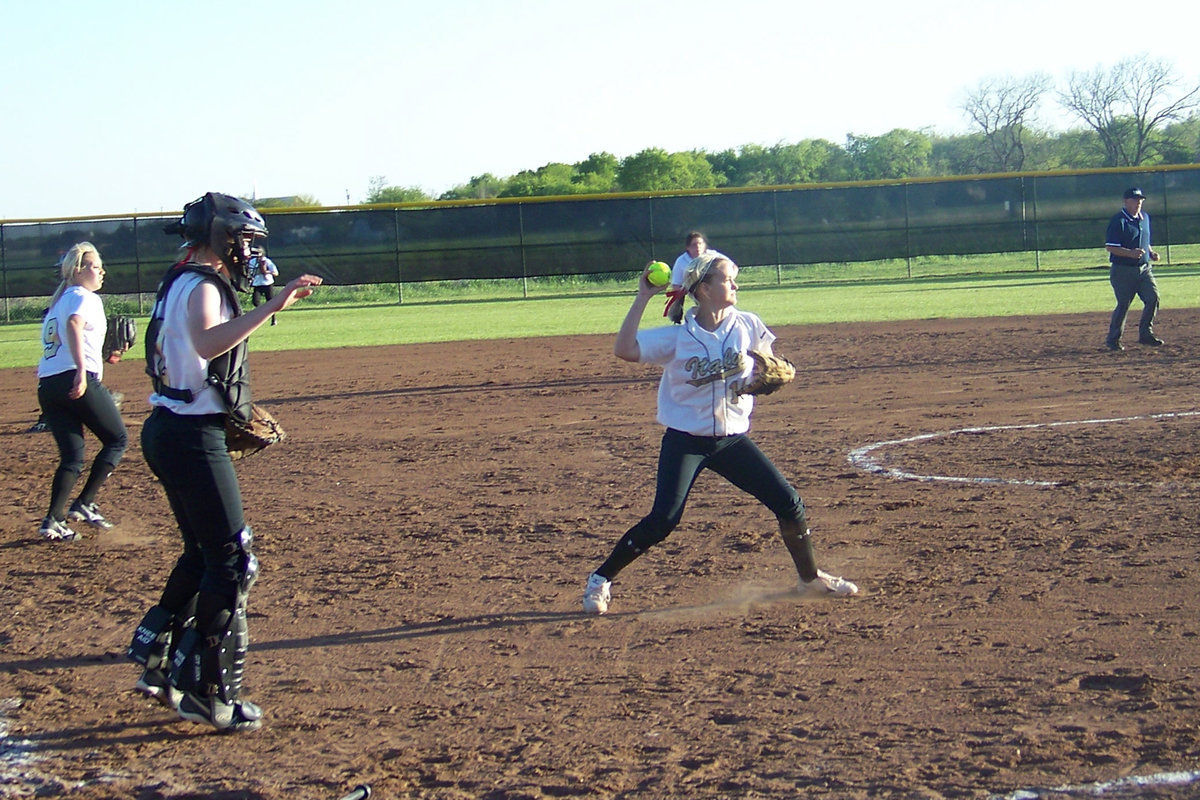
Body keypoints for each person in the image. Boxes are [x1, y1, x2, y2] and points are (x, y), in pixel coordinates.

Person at [126, 192, 322, 733]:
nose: (248, 250)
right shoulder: (204, 285)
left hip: (169, 428)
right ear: (221, 238)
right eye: (243, 239)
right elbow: (208, 343)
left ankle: (157, 657)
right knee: (234, 560)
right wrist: (274, 305)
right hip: (190, 436)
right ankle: (207, 691)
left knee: (201, 554)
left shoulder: (179, 278)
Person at [582, 252, 858, 615]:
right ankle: (600, 579)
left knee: (789, 502)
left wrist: (769, 376)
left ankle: (809, 579)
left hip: (731, 441)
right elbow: (625, 350)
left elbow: (768, 364)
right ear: (706, 289)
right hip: (685, 441)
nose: (736, 285)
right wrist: (643, 296)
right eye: (729, 280)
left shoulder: (747, 324)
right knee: (664, 519)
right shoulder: (679, 338)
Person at [35, 243, 128, 541]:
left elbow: (70, 334)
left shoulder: (59, 301)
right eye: (94, 266)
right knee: (117, 439)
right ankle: (84, 503)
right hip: (76, 378)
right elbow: (75, 326)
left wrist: (102, 356)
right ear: (77, 270)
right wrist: (80, 371)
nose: (101, 271)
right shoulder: (83, 297)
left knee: (73, 457)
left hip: (48, 384)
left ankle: (54, 520)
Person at [1104, 187, 1163, 351]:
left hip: (1144, 269)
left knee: (1153, 298)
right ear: (1126, 201)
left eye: (1140, 200)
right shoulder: (1119, 221)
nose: (1138, 203)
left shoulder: (1145, 218)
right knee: (1124, 304)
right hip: (1123, 270)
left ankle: (1145, 334)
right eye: (1134, 200)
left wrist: (1150, 252)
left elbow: (1144, 239)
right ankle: (1113, 340)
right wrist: (1130, 253)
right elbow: (1110, 247)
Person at [665, 231, 726, 324]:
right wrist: (678, 303)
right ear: (688, 247)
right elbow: (676, 284)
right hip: (694, 291)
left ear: (705, 245)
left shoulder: (713, 256)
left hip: (715, 289)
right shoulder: (682, 261)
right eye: (694, 244)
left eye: (700, 243)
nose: (698, 247)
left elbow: (733, 267)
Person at [249, 251, 279, 325]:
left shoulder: (267, 261)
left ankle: (273, 319)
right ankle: (261, 315)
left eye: (257, 253)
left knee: (271, 302)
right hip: (257, 284)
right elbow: (249, 272)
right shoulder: (252, 261)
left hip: (267, 284)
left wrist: (266, 272)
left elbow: (276, 273)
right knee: (255, 302)